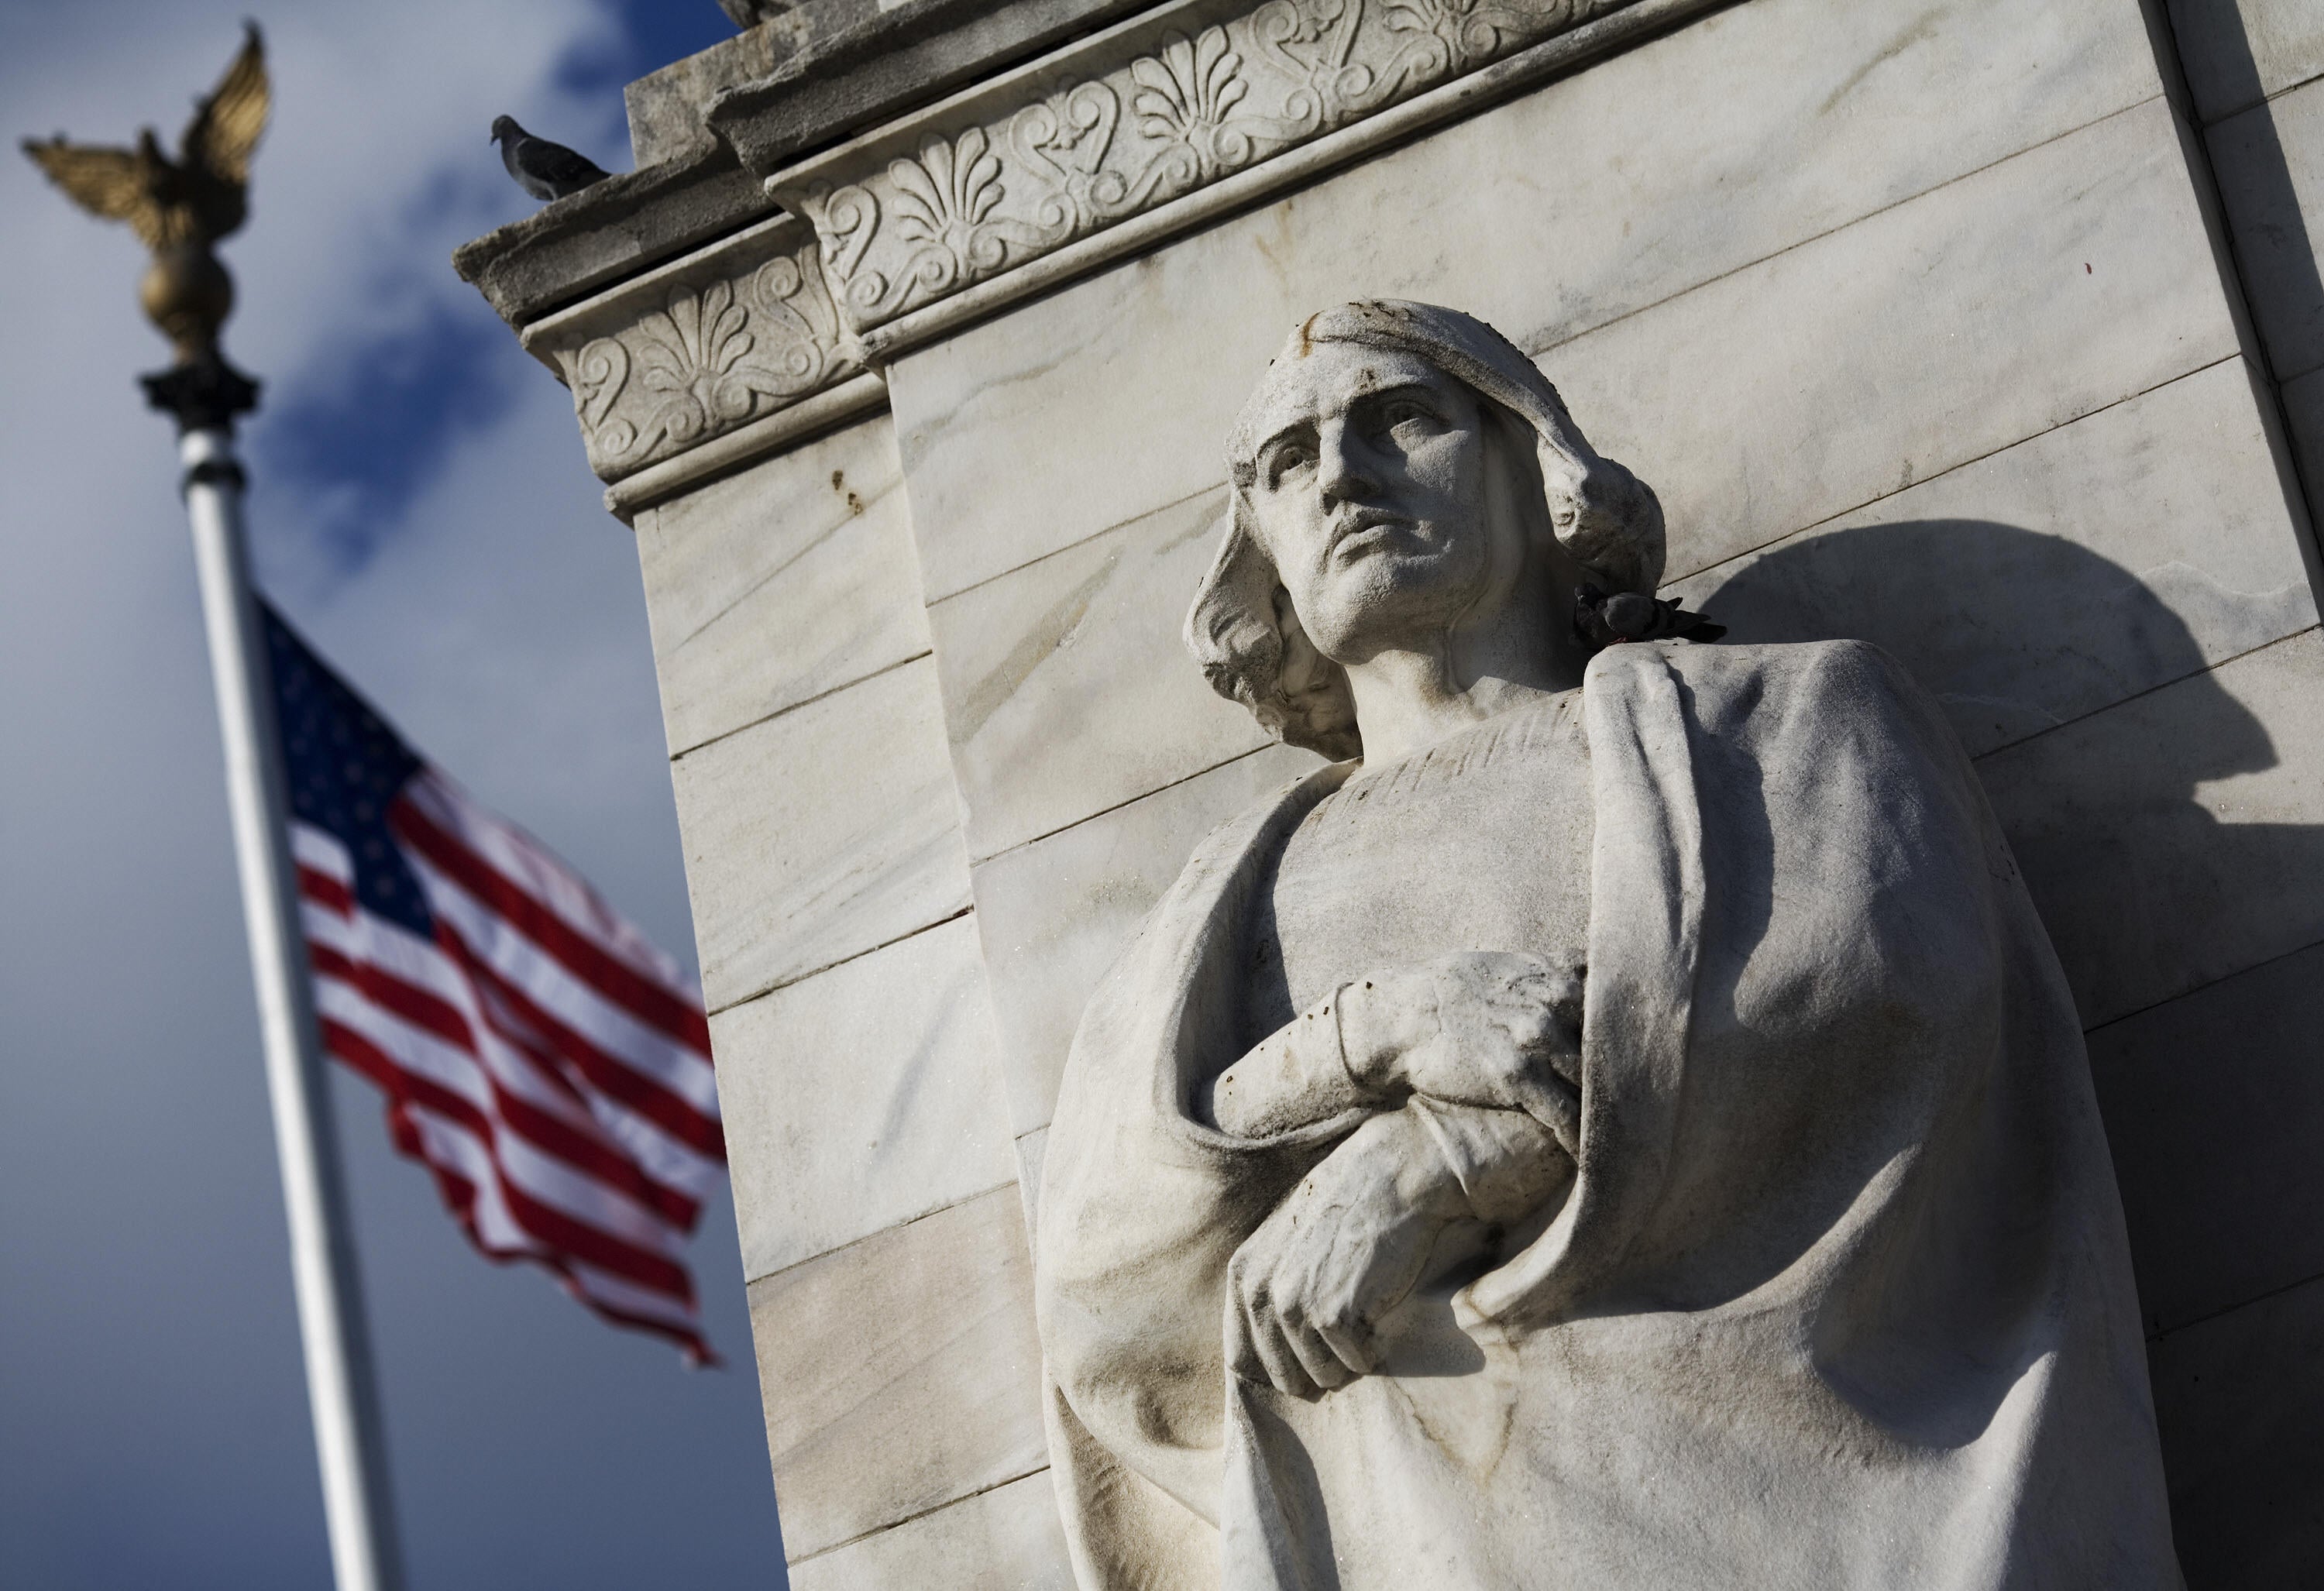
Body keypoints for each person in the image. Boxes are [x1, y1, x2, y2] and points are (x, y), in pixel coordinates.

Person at [1034, 301, 2181, 1589]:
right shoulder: (1217, 900)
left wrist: (1448, 1157)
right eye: (1286, 463)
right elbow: (1108, 1245)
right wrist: (1382, 1030)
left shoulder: (1782, 720)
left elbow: (1875, 985)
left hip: (1786, 1503)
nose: (1340, 475)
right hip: (1407, 1529)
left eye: (1399, 417)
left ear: (1536, 470)